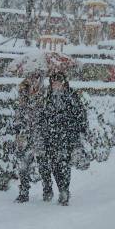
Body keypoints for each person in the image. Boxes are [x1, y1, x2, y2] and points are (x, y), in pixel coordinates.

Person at [37, 71, 88, 206]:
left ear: (63, 83)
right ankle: (61, 189)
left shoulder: (71, 96)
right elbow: (42, 116)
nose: (56, 85)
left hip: (67, 136)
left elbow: (80, 114)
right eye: (54, 83)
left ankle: (64, 191)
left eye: (58, 83)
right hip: (51, 137)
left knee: (64, 164)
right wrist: (44, 128)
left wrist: (77, 129)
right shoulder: (47, 97)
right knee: (54, 165)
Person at [13, 72, 48, 203]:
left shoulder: (45, 93)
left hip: (40, 133)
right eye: (31, 77)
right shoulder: (23, 92)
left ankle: (47, 189)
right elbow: (19, 113)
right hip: (25, 134)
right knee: (23, 165)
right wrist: (18, 130)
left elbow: (48, 114)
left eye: (36, 77)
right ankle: (23, 192)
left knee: (43, 164)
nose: (33, 80)